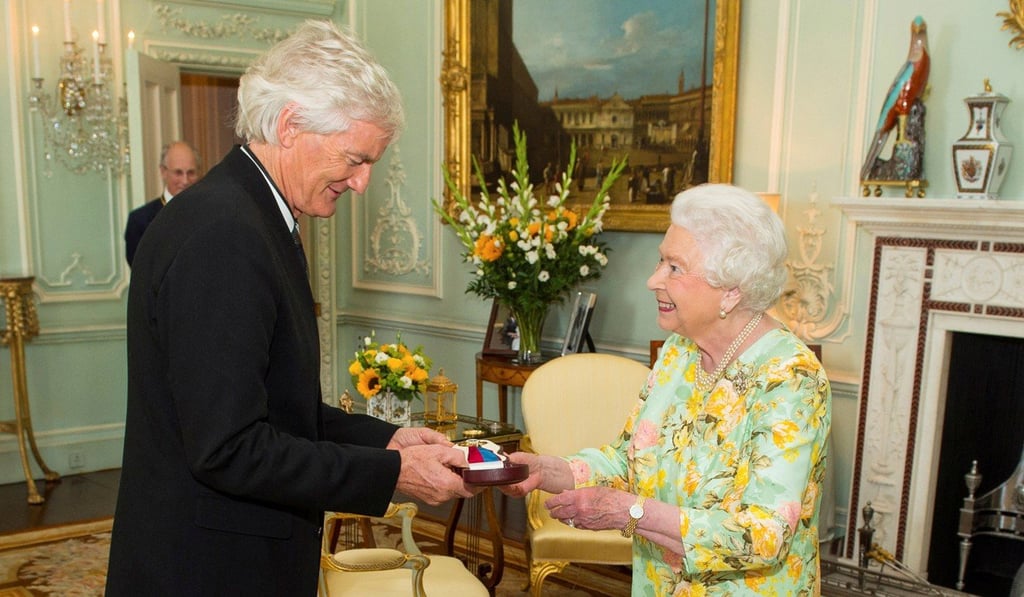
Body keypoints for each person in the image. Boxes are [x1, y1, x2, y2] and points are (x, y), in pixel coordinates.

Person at [105, 20, 473, 596]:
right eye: (355, 158)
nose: (361, 183)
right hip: (211, 569)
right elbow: (229, 447)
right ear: (289, 124)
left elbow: (275, 408)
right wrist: (393, 475)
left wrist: (384, 442)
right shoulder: (224, 233)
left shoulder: (251, 215)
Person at [500, 184, 832, 594]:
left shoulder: (790, 377)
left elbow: (764, 536)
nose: (652, 279)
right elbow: (629, 461)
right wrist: (548, 470)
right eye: (661, 260)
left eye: (674, 267)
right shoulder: (680, 351)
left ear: (732, 288)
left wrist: (631, 513)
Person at [123, 140, 201, 266]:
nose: (185, 181)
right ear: (163, 172)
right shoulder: (140, 221)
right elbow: (141, 273)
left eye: (191, 173)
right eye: (178, 172)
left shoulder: (210, 213)